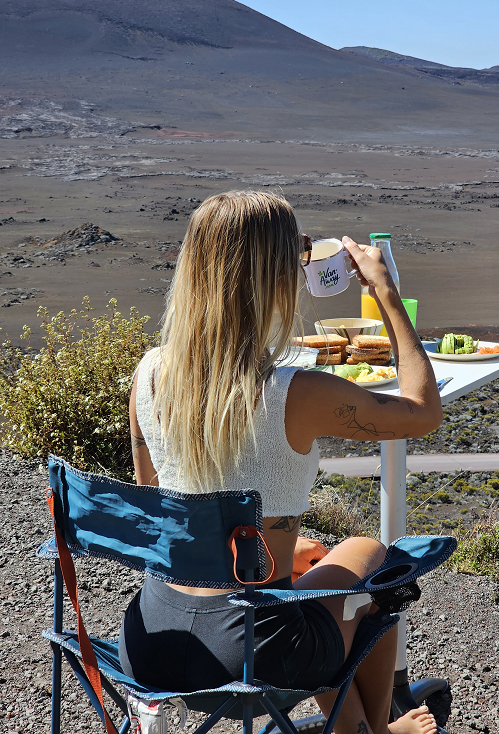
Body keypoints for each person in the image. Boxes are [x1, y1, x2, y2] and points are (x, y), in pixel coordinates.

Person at [119, 190, 442, 734]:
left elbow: (163, 510)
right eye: (300, 249)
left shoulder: (149, 374)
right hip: (250, 656)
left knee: (304, 578)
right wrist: (386, 293)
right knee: (371, 557)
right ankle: (377, 733)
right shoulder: (296, 390)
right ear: (272, 275)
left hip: (152, 642)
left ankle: (357, 728)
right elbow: (422, 410)